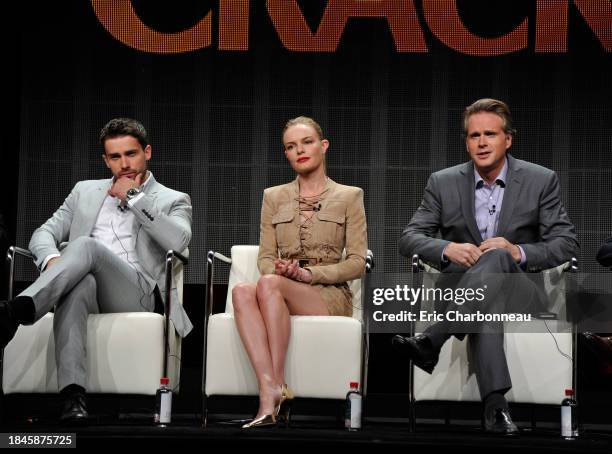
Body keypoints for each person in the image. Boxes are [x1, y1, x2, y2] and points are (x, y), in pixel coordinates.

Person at [394, 99, 578, 434]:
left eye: (490, 134)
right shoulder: (443, 182)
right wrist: (447, 247)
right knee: (486, 307)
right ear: (466, 141)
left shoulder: (540, 180)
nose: (481, 142)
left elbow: (566, 243)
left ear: (508, 139)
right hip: (466, 294)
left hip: (519, 291)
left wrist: (517, 251)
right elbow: (409, 238)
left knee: (497, 256)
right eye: (474, 135)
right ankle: (496, 410)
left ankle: (433, 340)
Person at [0, 118, 192, 423]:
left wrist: (134, 197)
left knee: (86, 247)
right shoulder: (85, 192)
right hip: (86, 283)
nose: (124, 164)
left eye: (131, 154)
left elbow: (178, 242)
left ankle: (15, 312)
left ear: (148, 152)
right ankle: (73, 397)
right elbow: (42, 234)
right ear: (106, 160)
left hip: (138, 292)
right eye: (115, 157)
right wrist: (53, 261)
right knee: (79, 285)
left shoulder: (172, 198)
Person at [232, 116, 367, 429]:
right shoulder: (273, 196)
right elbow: (266, 258)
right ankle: (273, 386)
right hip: (280, 287)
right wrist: (280, 269)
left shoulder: (349, 196)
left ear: (323, 146)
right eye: (291, 147)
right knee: (242, 290)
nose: (299, 151)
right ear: (286, 154)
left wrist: (310, 275)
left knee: (268, 285)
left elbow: (358, 262)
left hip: (329, 295)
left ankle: (273, 389)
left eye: (306, 143)